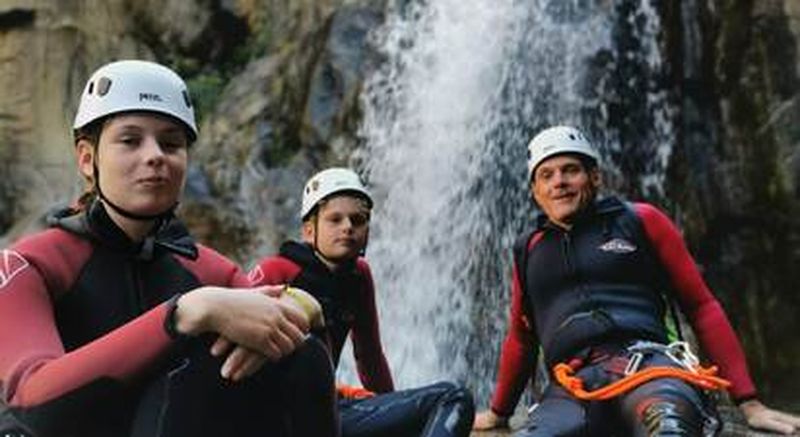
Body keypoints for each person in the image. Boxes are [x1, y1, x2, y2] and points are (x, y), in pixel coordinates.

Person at [0, 59, 339, 437]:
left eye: (171, 142)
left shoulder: (215, 273)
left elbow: (300, 356)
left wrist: (303, 308)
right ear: (86, 158)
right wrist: (184, 313)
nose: (155, 155)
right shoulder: (28, 264)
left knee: (300, 355)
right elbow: (32, 401)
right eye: (130, 140)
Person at [472, 125, 800, 436]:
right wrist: (499, 412)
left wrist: (749, 402)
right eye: (546, 175)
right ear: (535, 191)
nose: (559, 181)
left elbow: (701, 306)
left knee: (669, 427)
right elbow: (521, 339)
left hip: (648, 369)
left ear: (595, 176)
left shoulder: (640, 220)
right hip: (572, 388)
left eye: (570, 169)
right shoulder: (528, 250)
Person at [249, 167, 475, 437]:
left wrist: (391, 408)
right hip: (276, 419)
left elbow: (369, 356)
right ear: (309, 231)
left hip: (326, 415)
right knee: (451, 398)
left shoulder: (359, 276)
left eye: (358, 220)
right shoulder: (278, 270)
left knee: (453, 398)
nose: (348, 227)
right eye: (335, 219)